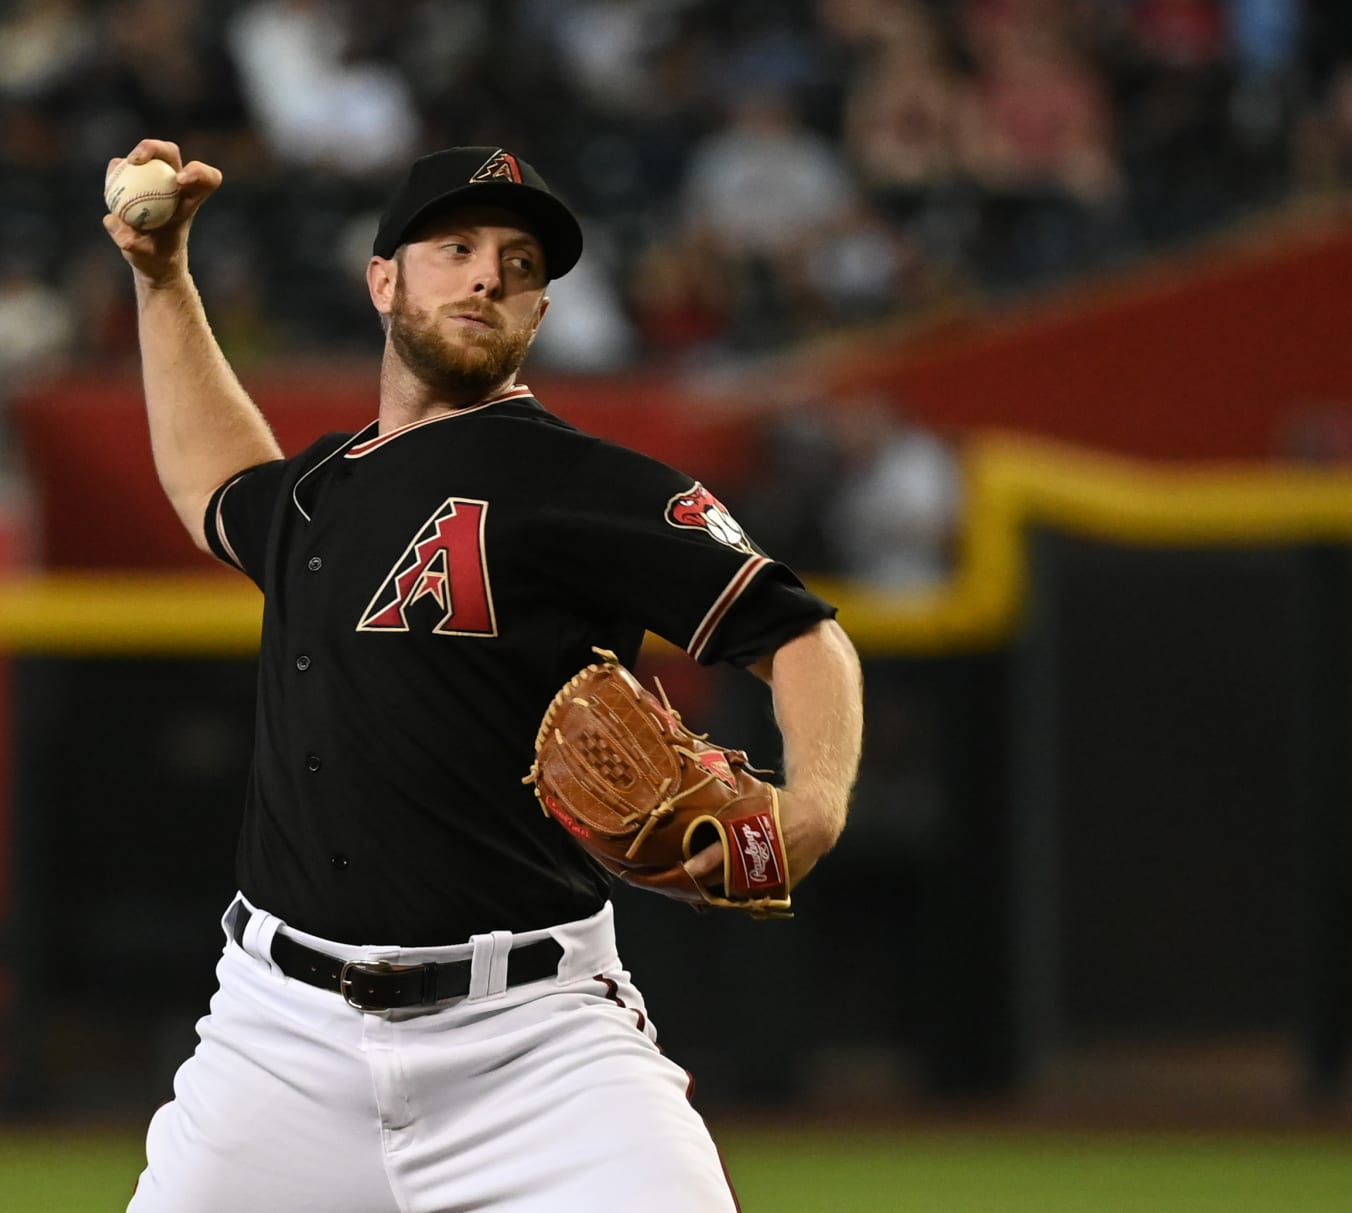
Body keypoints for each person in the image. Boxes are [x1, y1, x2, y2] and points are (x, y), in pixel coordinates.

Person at [105, 139, 864, 1213]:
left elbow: (802, 636)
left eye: (518, 263)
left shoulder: (588, 483)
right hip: (278, 1041)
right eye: (454, 247)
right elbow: (214, 480)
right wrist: (162, 276)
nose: (486, 276)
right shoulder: (322, 489)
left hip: (532, 1044)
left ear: (540, 314)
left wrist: (816, 807)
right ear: (383, 281)